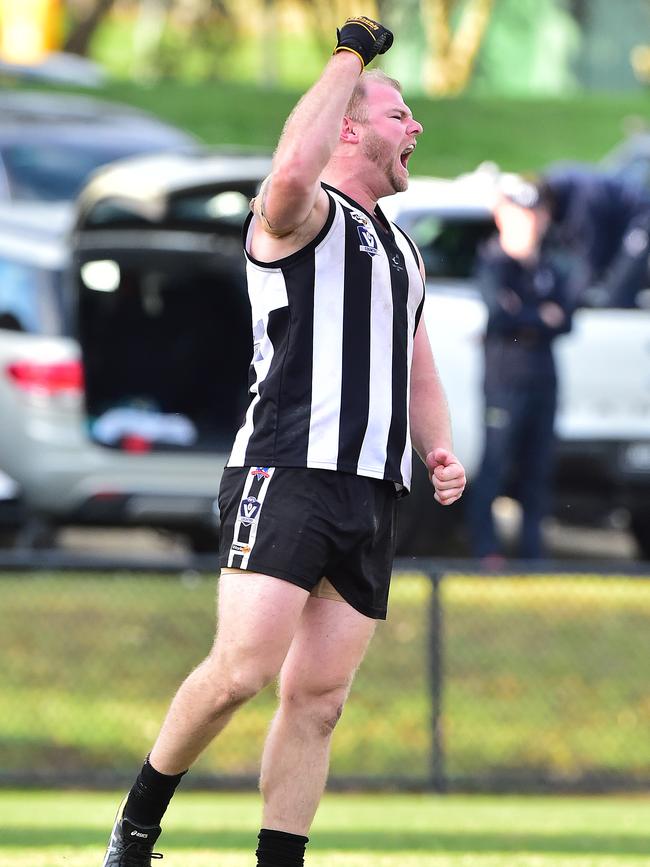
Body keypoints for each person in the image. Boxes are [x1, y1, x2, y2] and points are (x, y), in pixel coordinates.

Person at [101, 16, 466, 867]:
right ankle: (136, 829)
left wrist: (439, 448)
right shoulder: (300, 215)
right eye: (399, 115)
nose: (415, 127)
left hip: (372, 492)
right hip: (289, 468)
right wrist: (349, 56)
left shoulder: (403, 249)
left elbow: (417, 366)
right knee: (242, 669)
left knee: (320, 698)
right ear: (349, 124)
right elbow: (293, 164)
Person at [467, 176, 572, 563]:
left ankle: (533, 554)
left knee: (538, 469)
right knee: (495, 464)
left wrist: (528, 316)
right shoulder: (494, 262)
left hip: (543, 378)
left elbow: (566, 318)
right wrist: (539, 316)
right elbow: (499, 314)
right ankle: (486, 550)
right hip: (504, 380)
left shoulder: (549, 266)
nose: (529, 223)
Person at [543, 165, 650, 308]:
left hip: (641, 215)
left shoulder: (581, 203)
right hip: (617, 227)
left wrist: (569, 301)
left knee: (619, 289)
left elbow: (590, 258)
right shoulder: (561, 194)